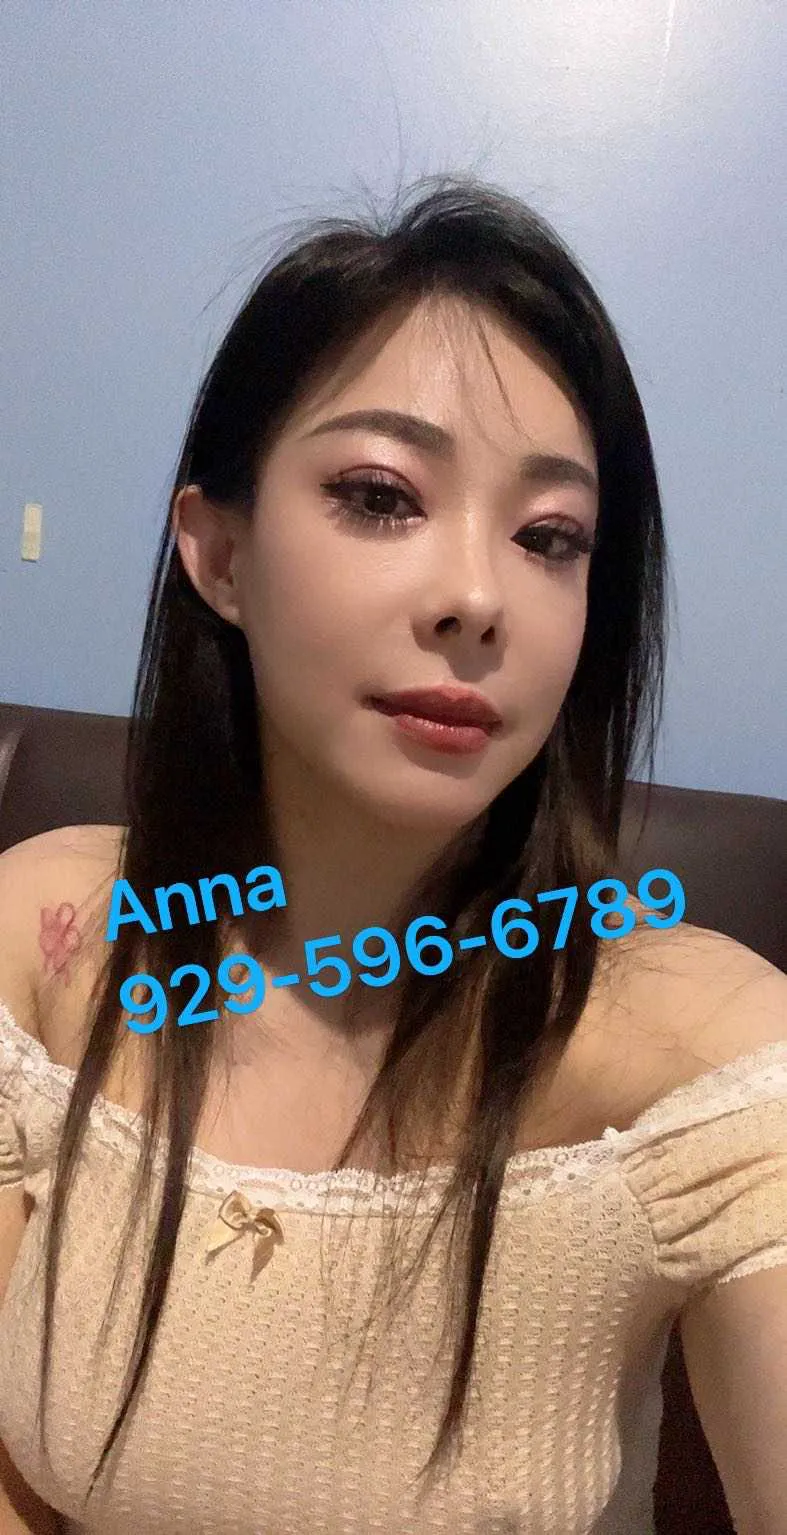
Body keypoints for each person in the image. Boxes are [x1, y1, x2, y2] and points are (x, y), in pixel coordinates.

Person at [0, 174, 785, 1535]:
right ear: (219, 555)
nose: (479, 596)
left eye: (550, 537)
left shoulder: (708, 1059)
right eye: (380, 495)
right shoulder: (50, 940)